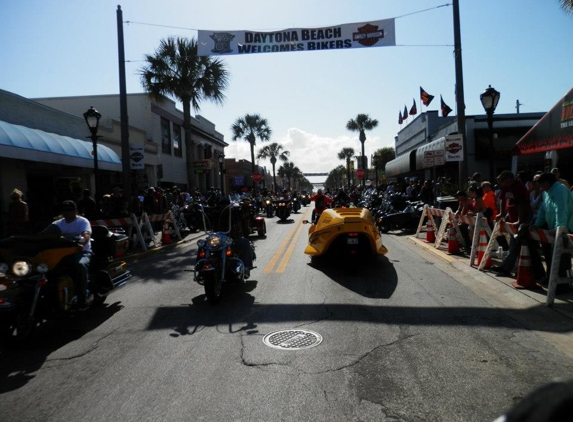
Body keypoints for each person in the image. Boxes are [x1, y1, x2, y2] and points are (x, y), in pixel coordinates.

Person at [529, 172, 573, 284]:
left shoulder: (560, 190)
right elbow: (543, 209)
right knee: (553, 256)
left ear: (547, 183)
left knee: (562, 257)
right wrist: (537, 224)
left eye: (541, 184)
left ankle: (564, 283)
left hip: (566, 227)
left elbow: (561, 209)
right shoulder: (546, 192)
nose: (540, 187)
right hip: (554, 228)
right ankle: (552, 279)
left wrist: (560, 227)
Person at [490, 171, 532, 277]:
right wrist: (501, 214)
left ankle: (506, 268)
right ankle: (506, 267)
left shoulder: (519, 187)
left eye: (502, 180)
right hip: (513, 220)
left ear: (509, 179)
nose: (500, 183)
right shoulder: (506, 187)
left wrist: (520, 220)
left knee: (516, 246)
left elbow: (521, 205)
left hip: (522, 220)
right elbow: (503, 201)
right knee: (515, 245)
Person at [51, 200, 92, 309]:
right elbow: (46, 234)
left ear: (75, 211)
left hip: (82, 252)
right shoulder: (57, 224)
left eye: (69, 210)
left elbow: (86, 234)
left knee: (80, 265)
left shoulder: (82, 221)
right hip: (62, 254)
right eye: (64, 210)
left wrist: (82, 242)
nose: (66, 213)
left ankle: (82, 299)